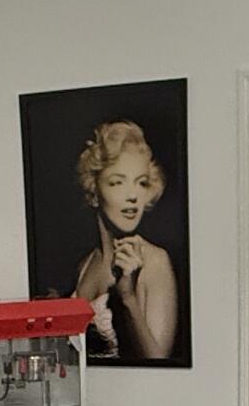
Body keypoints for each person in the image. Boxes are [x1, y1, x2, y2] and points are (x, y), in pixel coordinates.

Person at [69, 120, 179, 362]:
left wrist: (127, 298)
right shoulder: (87, 263)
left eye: (140, 182)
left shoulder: (155, 261)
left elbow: (158, 362)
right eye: (117, 182)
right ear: (93, 192)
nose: (132, 196)